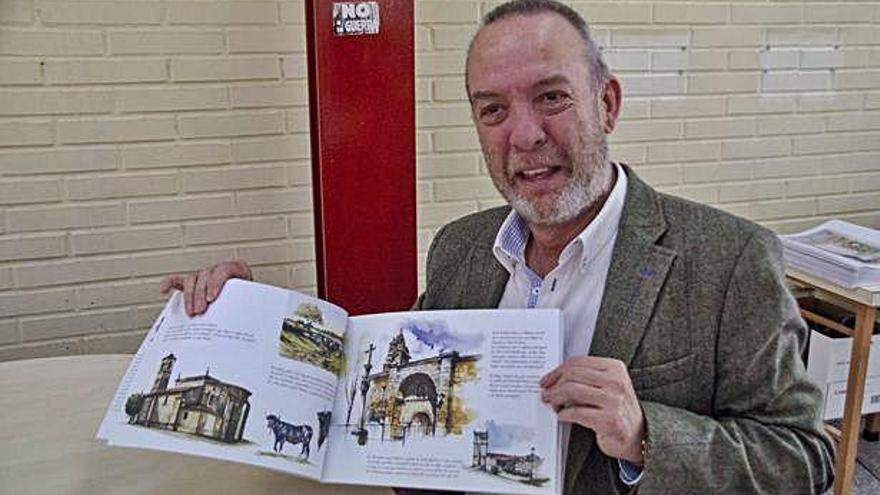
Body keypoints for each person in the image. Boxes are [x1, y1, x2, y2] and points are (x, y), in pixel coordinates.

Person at [162, 1, 835, 493]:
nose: (525, 135)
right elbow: (371, 402)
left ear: (607, 103)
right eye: (493, 110)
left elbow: (804, 459)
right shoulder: (458, 250)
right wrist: (243, 324)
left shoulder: (729, 258)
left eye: (551, 97)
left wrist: (645, 435)